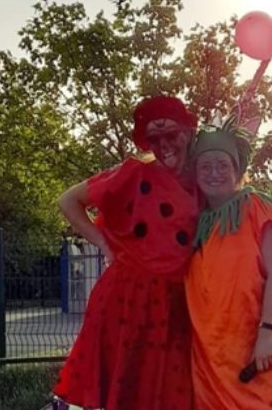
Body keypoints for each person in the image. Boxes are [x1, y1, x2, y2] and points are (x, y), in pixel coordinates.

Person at [54, 96, 198, 410]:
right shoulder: (132, 173)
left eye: (171, 135)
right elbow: (68, 201)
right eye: (154, 139)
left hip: (176, 303)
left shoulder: (203, 179)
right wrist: (104, 244)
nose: (164, 145)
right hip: (126, 298)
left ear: (187, 132)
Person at [185, 123, 272, 410]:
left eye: (222, 165)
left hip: (261, 350)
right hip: (212, 358)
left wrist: (267, 331)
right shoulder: (198, 222)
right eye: (205, 167)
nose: (214, 173)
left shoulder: (256, 208)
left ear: (237, 170)